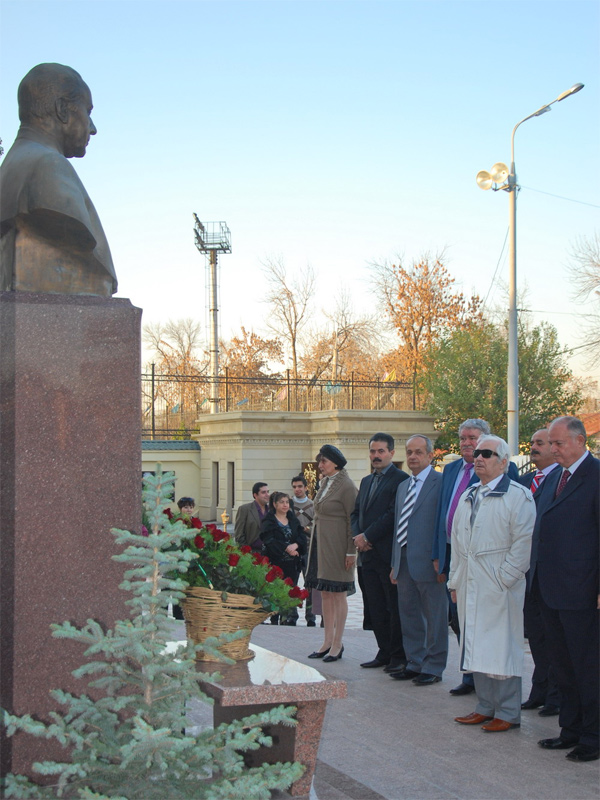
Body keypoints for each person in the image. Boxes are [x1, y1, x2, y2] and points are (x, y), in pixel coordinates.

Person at [0, 63, 117, 296]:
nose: (92, 128)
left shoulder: (12, 166)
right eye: (88, 111)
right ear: (63, 109)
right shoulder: (47, 167)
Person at [448, 435, 535, 733]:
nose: (479, 458)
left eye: (487, 453)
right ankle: (484, 706)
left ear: (504, 462)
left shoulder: (518, 496)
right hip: (471, 581)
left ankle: (508, 711)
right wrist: (455, 582)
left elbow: (523, 544)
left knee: (502, 647)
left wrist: (504, 578)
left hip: (499, 584)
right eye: (477, 453)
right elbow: (458, 543)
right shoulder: (469, 494)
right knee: (475, 644)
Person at [433, 418, 519, 697]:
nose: (469, 444)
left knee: (486, 625)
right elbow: (442, 513)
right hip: (453, 554)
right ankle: (470, 675)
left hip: (488, 564)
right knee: (459, 619)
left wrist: (504, 574)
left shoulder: (505, 470)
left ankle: (492, 688)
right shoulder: (451, 469)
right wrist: (438, 554)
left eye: (474, 439)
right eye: (464, 438)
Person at [531, 416, 599, 762]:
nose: (552, 449)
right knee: (561, 665)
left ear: (579, 441)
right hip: (549, 588)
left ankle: (593, 736)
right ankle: (569, 729)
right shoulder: (554, 477)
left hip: (582, 590)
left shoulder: (596, 476)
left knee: (587, 666)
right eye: (551, 444)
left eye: (557, 443)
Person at [390, 435, 448, 685]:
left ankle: (434, 666)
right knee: (409, 613)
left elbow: (443, 525)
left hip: (429, 561)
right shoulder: (403, 485)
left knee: (435, 616)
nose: (413, 456)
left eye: (418, 452)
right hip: (403, 560)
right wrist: (394, 563)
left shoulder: (441, 482)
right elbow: (397, 526)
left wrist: (441, 558)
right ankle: (415, 661)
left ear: (430, 455)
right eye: (409, 452)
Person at [351, 433, 408, 671]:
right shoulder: (365, 481)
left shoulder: (401, 480)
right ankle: (383, 651)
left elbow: (393, 515)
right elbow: (356, 513)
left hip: (386, 554)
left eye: (381, 451)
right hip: (367, 556)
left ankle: (398, 656)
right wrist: (358, 536)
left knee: (392, 608)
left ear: (392, 453)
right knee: (374, 607)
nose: (376, 456)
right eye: (373, 451)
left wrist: (368, 536)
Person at [518, 429, 560, 717]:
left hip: (554, 573)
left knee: (555, 638)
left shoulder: (561, 481)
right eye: (532, 443)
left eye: (540, 443)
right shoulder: (523, 482)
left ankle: (557, 696)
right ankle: (540, 689)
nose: (533, 448)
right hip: (527, 573)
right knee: (535, 637)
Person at [306, 444, 358, 663]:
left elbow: (352, 521)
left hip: (338, 547)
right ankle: (327, 641)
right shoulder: (325, 483)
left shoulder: (346, 486)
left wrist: (351, 551)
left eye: (323, 462)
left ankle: (338, 643)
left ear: (335, 463)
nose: (320, 466)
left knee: (338, 594)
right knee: (325, 593)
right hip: (321, 544)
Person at [261, 491, 308, 626]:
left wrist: (296, 545)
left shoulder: (293, 519)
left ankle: (288, 618)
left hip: (292, 564)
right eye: (281, 502)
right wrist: (286, 548)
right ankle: (274, 618)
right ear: (275, 504)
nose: (285, 505)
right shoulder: (269, 521)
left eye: (287, 502)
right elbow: (269, 539)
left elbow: (301, 537)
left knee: (289, 591)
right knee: (275, 592)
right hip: (275, 563)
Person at [290, 474, 317, 626]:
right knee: (291, 583)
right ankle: (291, 615)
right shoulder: (288, 505)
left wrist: (305, 529)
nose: (297, 489)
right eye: (294, 487)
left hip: (309, 549)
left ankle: (311, 616)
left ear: (306, 488)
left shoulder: (313, 506)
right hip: (293, 551)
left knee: (310, 584)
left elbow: (316, 525)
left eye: (300, 486)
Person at [234, 482, 269, 552]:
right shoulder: (245, 509)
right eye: (263, 492)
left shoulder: (271, 510)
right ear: (255, 495)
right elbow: (239, 534)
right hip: (251, 553)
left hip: (269, 553)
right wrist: (247, 551)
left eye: (268, 492)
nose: (267, 495)